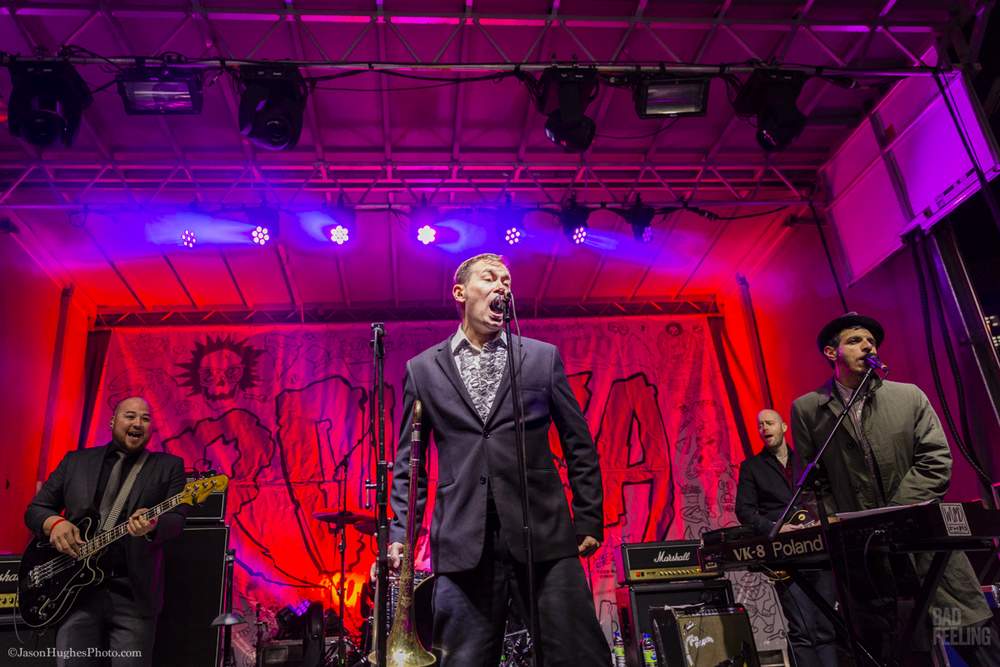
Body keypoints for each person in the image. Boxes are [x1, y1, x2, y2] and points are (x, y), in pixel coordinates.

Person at [388, 253, 610, 666]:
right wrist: (401, 533)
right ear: (460, 293)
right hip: (462, 539)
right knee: (462, 660)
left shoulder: (541, 358)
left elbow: (578, 441)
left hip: (542, 533)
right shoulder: (422, 370)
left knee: (578, 655)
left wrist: (588, 517)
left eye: (507, 281)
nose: (502, 286)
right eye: (490, 278)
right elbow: (408, 463)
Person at [791, 312, 998, 665]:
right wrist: (836, 522)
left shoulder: (908, 397)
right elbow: (813, 481)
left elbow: (935, 460)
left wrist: (895, 515)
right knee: (896, 649)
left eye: (871, 341)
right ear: (831, 352)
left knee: (972, 638)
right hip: (867, 560)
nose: (867, 345)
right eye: (855, 340)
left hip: (926, 548)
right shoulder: (808, 409)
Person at [24, 396, 188, 667]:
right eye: (130, 416)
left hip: (132, 595)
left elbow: (177, 519)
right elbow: (35, 509)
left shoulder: (168, 466)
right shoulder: (75, 461)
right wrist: (55, 523)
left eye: (145, 419)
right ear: (113, 421)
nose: (138, 423)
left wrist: (153, 526)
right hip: (73, 594)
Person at [735, 409, 838, 667]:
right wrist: (774, 527)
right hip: (786, 557)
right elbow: (744, 510)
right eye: (759, 425)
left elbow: (827, 493)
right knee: (802, 629)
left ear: (783, 427)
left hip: (818, 552)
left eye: (769, 423)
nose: (764, 428)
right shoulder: (752, 467)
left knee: (827, 627)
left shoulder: (807, 461)